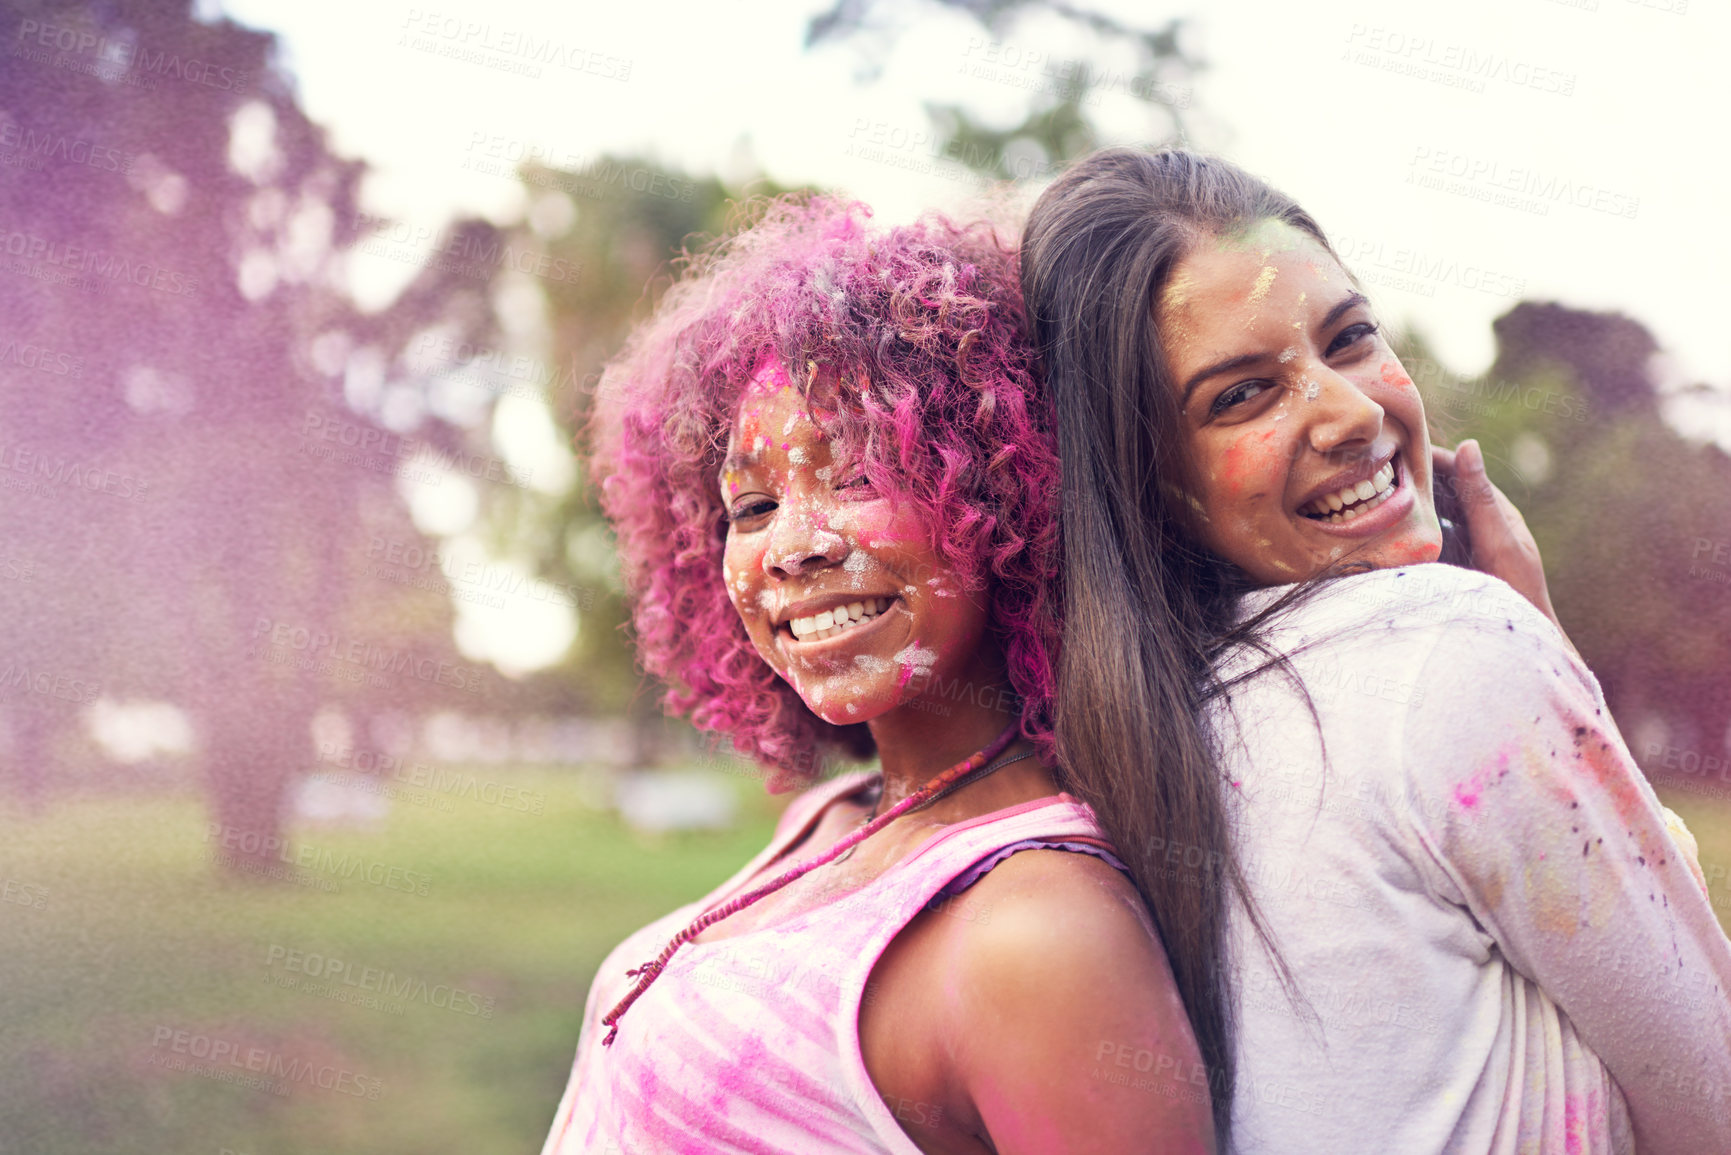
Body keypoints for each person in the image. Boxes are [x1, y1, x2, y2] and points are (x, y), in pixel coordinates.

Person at [1018, 147, 1731, 1154]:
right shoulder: (1455, 655)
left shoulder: (1113, 730)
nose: (1353, 411)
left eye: (1349, 338)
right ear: (1137, 479)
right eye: (1242, 397)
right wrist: (1542, 645)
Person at [541, 197, 1215, 1154]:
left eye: (859, 475)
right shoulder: (833, 817)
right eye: (754, 503)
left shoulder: (1037, 931)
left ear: (1007, 491)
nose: (794, 548)